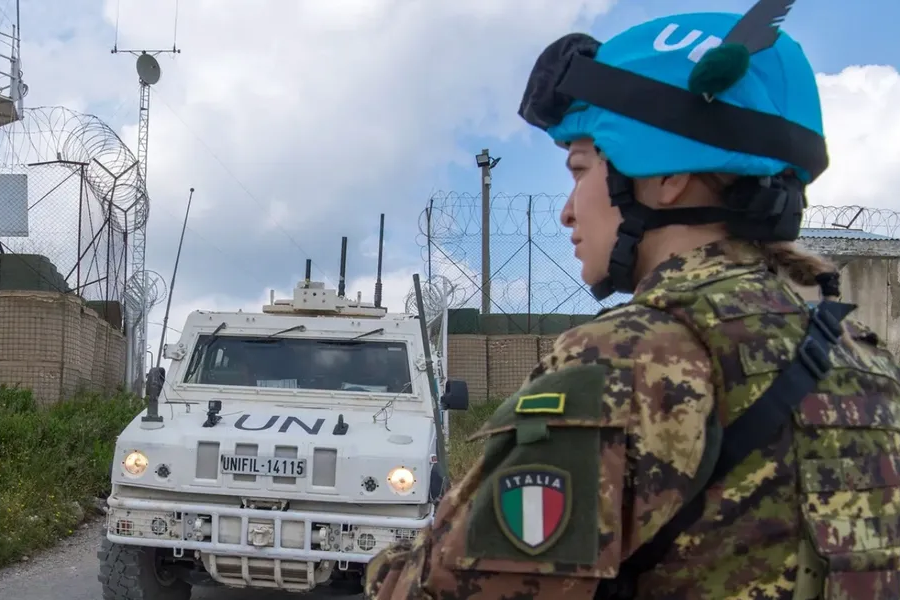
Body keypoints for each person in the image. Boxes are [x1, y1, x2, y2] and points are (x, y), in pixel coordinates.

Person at [364, 3, 900, 599]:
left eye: (580, 168)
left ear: (666, 177)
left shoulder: (628, 359)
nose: (568, 209)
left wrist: (384, 566)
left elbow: (445, 590)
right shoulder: (865, 361)